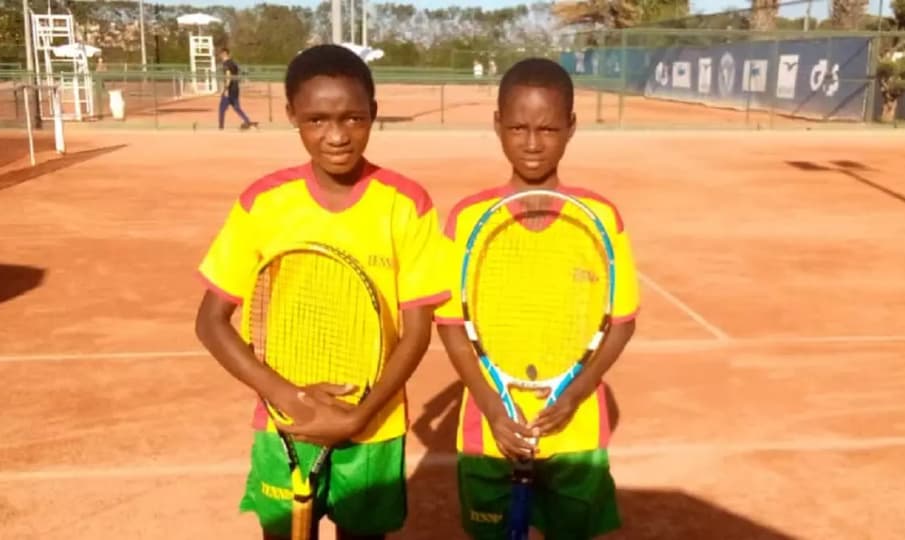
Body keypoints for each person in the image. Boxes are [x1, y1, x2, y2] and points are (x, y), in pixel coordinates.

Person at [194, 44, 448, 540]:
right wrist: (289, 397)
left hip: (374, 426)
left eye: (353, 118)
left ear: (374, 113)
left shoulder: (406, 204)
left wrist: (360, 415)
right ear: (292, 115)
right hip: (285, 423)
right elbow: (210, 322)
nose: (336, 135)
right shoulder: (263, 203)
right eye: (316, 120)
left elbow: (418, 331)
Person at [434, 57, 640, 540]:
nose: (531, 143)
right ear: (497, 126)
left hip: (576, 431)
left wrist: (574, 394)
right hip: (489, 429)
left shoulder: (601, 218)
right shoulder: (467, 218)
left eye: (547, 128)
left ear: (571, 128)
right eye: (518, 127)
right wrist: (491, 406)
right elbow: (450, 324)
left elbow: (622, 322)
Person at [218, 48, 257, 130]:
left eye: (221, 54)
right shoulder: (234, 63)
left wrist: (225, 89)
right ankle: (247, 121)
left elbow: (228, 76)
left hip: (230, 89)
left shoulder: (226, 64)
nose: (220, 56)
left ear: (224, 54)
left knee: (222, 108)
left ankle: (221, 127)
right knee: (237, 107)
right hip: (236, 88)